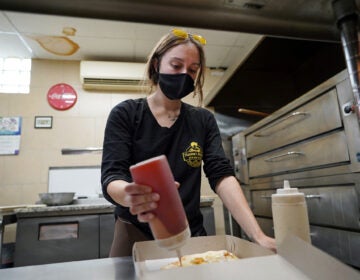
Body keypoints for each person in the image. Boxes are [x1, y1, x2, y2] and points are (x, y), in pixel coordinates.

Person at [101, 28, 276, 257]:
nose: (184, 74)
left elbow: (221, 174)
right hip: (135, 233)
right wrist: (132, 194)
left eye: (192, 70)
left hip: (190, 233)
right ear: (156, 65)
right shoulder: (126, 114)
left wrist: (258, 236)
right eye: (176, 66)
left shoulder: (202, 120)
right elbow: (112, 177)